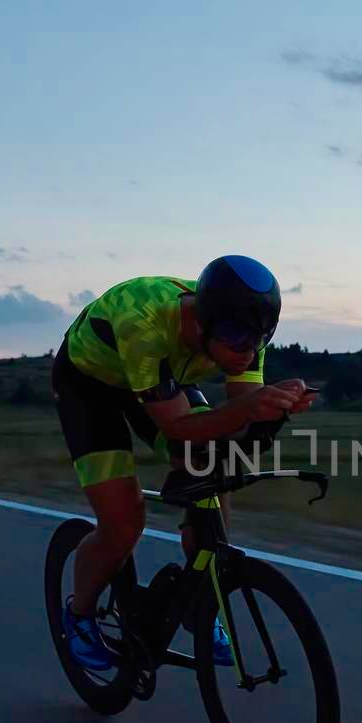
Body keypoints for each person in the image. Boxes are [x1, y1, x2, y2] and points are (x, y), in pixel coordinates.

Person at [51, 255, 315, 671]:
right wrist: (250, 409)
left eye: (259, 339)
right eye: (235, 338)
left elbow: (238, 428)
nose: (246, 353)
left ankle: (198, 602)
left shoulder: (246, 331)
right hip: (92, 387)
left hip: (162, 380)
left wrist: (273, 412)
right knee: (123, 522)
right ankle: (79, 616)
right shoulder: (145, 321)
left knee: (211, 471)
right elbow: (177, 427)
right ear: (202, 321)